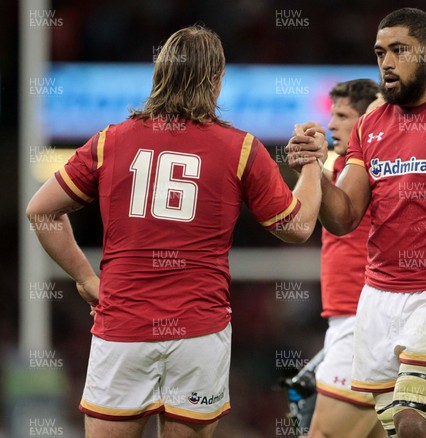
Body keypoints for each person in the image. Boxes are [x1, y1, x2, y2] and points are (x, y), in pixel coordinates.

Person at [26, 25, 324, 438]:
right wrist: (310, 164)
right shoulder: (241, 149)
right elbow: (299, 227)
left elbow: (40, 210)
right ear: (216, 80)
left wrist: (85, 278)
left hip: (123, 329)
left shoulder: (109, 141)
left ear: (159, 74)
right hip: (198, 334)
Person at [286, 8, 426, 437]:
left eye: (398, 50)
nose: (386, 62)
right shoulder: (372, 124)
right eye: (379, 52)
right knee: (398, 431)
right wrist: (313, 167)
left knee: (412, 422)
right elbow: (344, 216)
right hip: (377, 298)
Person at [289, 80, 386, 438]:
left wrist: (313, 165)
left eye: (343, 116)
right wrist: (310, 165)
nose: (331, 125)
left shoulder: (379, 169)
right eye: (332, 114)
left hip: (361, 322)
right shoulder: (346, 169)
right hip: (353, 321)